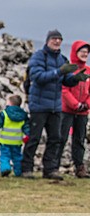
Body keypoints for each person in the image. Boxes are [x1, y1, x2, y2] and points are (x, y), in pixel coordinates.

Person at [22, 29, 88, 180]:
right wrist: (59, 72)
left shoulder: (62, 59)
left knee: (55, 138)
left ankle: (50, 170)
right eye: (54, 39)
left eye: (59, 39)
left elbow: (66, 81)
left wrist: (77, 78)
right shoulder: (39, 56)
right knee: (34, 137)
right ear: (47, 40)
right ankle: (26, 168)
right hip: (38, 105)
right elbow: (37, 77)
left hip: (55, 106)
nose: (57, 41)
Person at [59, 40, 90, 178]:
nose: (85, 54)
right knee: (61, 137)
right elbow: (64, 89)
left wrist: (86, 104)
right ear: (75, 52)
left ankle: (79, 167)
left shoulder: (89, 71)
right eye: (82, 51)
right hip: (67, 110)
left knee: (79, 139)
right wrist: (75, 104)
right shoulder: (69, 68)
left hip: (83, 112)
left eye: (86, 52)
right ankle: (53, 165)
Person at [0, 94, 30, 177]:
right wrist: (27, 136)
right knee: (17, 157)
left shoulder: (4, 114)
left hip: (5, 141)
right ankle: (18, 172)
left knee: (5, 156)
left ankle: (5, 169)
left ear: (9, 103)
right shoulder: (23, 115)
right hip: (17, 142)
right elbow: (26, 127)